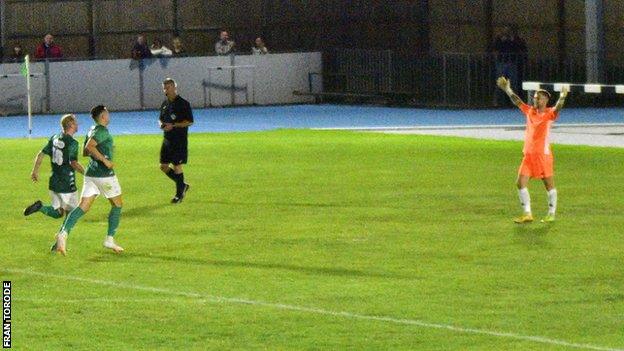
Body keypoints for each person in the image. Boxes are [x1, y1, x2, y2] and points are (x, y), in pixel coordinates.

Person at [496, 76, 569, 223]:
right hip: (528, 156)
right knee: (520, 183)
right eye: (535, 98)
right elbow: (517, 101)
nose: (535, 100)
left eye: (539, 98)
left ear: (546, 100)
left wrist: (562, 97)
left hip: (543, 156)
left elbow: (558, 107)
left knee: (549, 185)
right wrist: (507, 89)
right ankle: (527, 213)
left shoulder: (550, 114)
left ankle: (551, 213)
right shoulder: (530, 111)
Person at [53, 105, 124, 255]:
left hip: (90, 174)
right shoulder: (102, 131)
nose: (109, 116)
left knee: (82, 207)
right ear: (103, 116)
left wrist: (101, 151)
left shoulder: (92, 129)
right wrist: (105, 160)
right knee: (117, 205)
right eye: (107, 113)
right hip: (104, 175)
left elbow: (85, 152)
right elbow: (90, 147)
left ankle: (63, 233)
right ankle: (109, 239)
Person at [24, 114, 84, 219]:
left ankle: (40, 207)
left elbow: (40, 154)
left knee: (59, 212)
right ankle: (62, 234)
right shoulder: (73, 143)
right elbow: (73, 163)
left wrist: (34, 171)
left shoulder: (54, 138)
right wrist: (87, 173)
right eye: (75, 122)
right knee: (72, 215)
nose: (77, 124)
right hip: (67, 183)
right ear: (71, 125)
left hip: (54, 182)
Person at [159, 78, 193, 203]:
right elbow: (160, 119)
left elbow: (189, 121)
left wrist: (173, 126)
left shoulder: (183, 103)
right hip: (167, 140)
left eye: (168, 87)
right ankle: (182, 185)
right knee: (163, 166)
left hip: (179, 140)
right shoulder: (165, 103)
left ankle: (179, 195)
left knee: (177, 165)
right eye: (164, 88)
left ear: (174, 87)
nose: (166, 90)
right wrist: (161, 124)